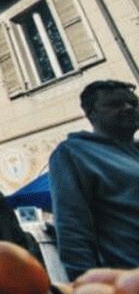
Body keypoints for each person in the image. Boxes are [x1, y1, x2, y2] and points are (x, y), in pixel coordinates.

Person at [49, 80, 139, 280]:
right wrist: (87, 282)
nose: (129, 108)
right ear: (91, 113)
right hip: (129, 279)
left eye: (134, 103)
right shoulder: (74, 153)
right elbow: (71, 225)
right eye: (115, 104)